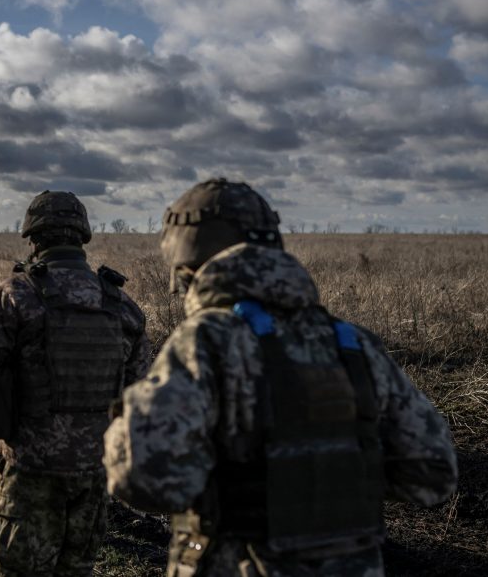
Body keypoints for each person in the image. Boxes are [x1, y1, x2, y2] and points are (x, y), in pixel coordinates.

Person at [103, 178, 458, 577]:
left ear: (186, 262)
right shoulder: (353, 344)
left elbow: (142, 476)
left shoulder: (207, 340)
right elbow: (432, 474)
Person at [0, 191, 153, 576]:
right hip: (93, 475)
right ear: (82, 237)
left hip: (31, 473)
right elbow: (140, 395)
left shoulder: (16, 294)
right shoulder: (121, 306)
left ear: (34, 238)